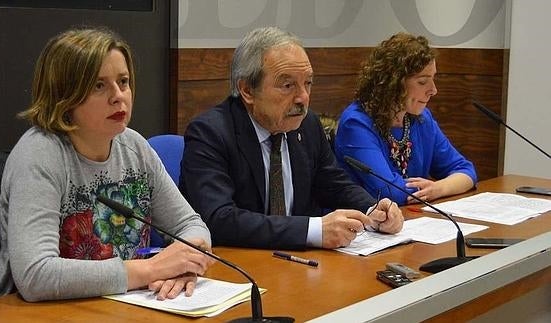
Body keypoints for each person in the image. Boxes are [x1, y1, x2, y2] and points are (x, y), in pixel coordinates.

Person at [0, 27, 213, 302]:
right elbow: (35, 275)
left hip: (128, 306)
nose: (118, 96)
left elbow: (191, 226)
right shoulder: (40, 155)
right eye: (99, 85)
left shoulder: (134, 147)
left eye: (123, 82)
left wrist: (185, 265)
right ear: (63, 96)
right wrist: (150, 270)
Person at [179, 26, 403, 250]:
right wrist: (313, 230)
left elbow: (334, 184)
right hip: (239, 264)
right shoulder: (211, 133)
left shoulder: (307, 125)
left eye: (307, 83)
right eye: (288, 86)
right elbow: (218, 219)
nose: (303, 98)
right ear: (247, 90)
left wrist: (372, 210)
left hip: (299, 266)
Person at [334, 32, 477, 206]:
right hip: (360, 226)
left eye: (433, 79)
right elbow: (389, 192)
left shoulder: (422, 119)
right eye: (423, 82)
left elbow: (466, 171)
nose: (433, 90)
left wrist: (438, 189)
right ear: (394, 83)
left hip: (408, 221)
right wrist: (435, 188)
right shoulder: (356, 123)